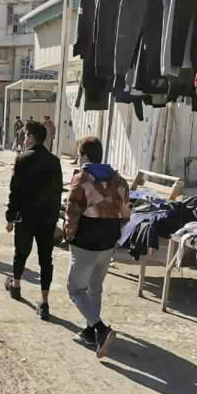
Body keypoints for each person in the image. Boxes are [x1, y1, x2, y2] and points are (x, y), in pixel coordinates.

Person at [64, 137, 129, 358]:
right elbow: (125, 214)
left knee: (76, 289)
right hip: (108, 241)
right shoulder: (119, 181)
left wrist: (68, 235)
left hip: (86, 241)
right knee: (95, 287)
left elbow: (72, 212)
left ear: (83, 156)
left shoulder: (81, 179)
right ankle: (91, 331)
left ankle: (101, 329)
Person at [5, 120, 63, 320]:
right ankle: (45, 302)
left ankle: (16, 285)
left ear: (31, 137)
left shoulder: (22, 159)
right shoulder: (54, 161)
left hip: (26, 217)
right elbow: (57, 193)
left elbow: (15, 192)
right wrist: (55, 219)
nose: (24, 139)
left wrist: (10, 217)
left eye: (25, 136)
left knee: (21, 253)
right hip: (47, 219)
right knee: (45, 260)